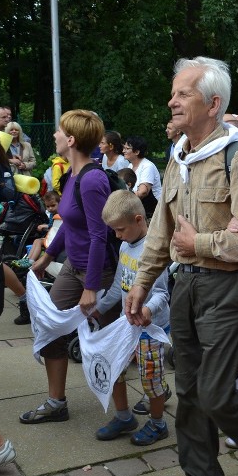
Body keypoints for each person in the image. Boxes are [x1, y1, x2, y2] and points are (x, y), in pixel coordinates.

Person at [123, 57, 238, 476]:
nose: (172, 101)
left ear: (213, 103)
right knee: (188, 391)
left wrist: (201, 242)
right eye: (174, 93)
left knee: (215, 392)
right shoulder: (179, 156)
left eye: (182, 93)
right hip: (184, 286)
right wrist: (141, 281)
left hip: (227, 288)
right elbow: (161, 231)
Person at [20, 110, 111, 423]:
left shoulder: (92, 179)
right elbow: (70, 226)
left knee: (111, 341)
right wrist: (45, 257)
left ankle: (138, 408)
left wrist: (91, 287)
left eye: (59, 131)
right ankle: (56, 403)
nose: (55, 135)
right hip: (74, 266)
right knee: (50, 328)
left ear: (71, 140)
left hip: (95, 271)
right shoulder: (71, 175)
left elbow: (100, 236)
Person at [92, 191, 172, 446]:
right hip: (125, 325)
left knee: (150, 378)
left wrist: (147, 311)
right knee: (114, 369)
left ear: (139, 220)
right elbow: (119, 284)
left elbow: (161, 294)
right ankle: (124, 416)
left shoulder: (153, 250)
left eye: (120, 230)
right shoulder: (126, 244)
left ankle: (158, 423)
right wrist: (100, 307)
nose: (117, 236)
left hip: (150, 327)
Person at [123, 135, 162, 219]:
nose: (123, 151)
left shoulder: (147, 166)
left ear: (137, 152)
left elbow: (143, 192)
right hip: (138, 208)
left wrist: (123, 203)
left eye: (127, 148)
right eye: (124, 148)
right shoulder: (130, 166)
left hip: (152, 212)